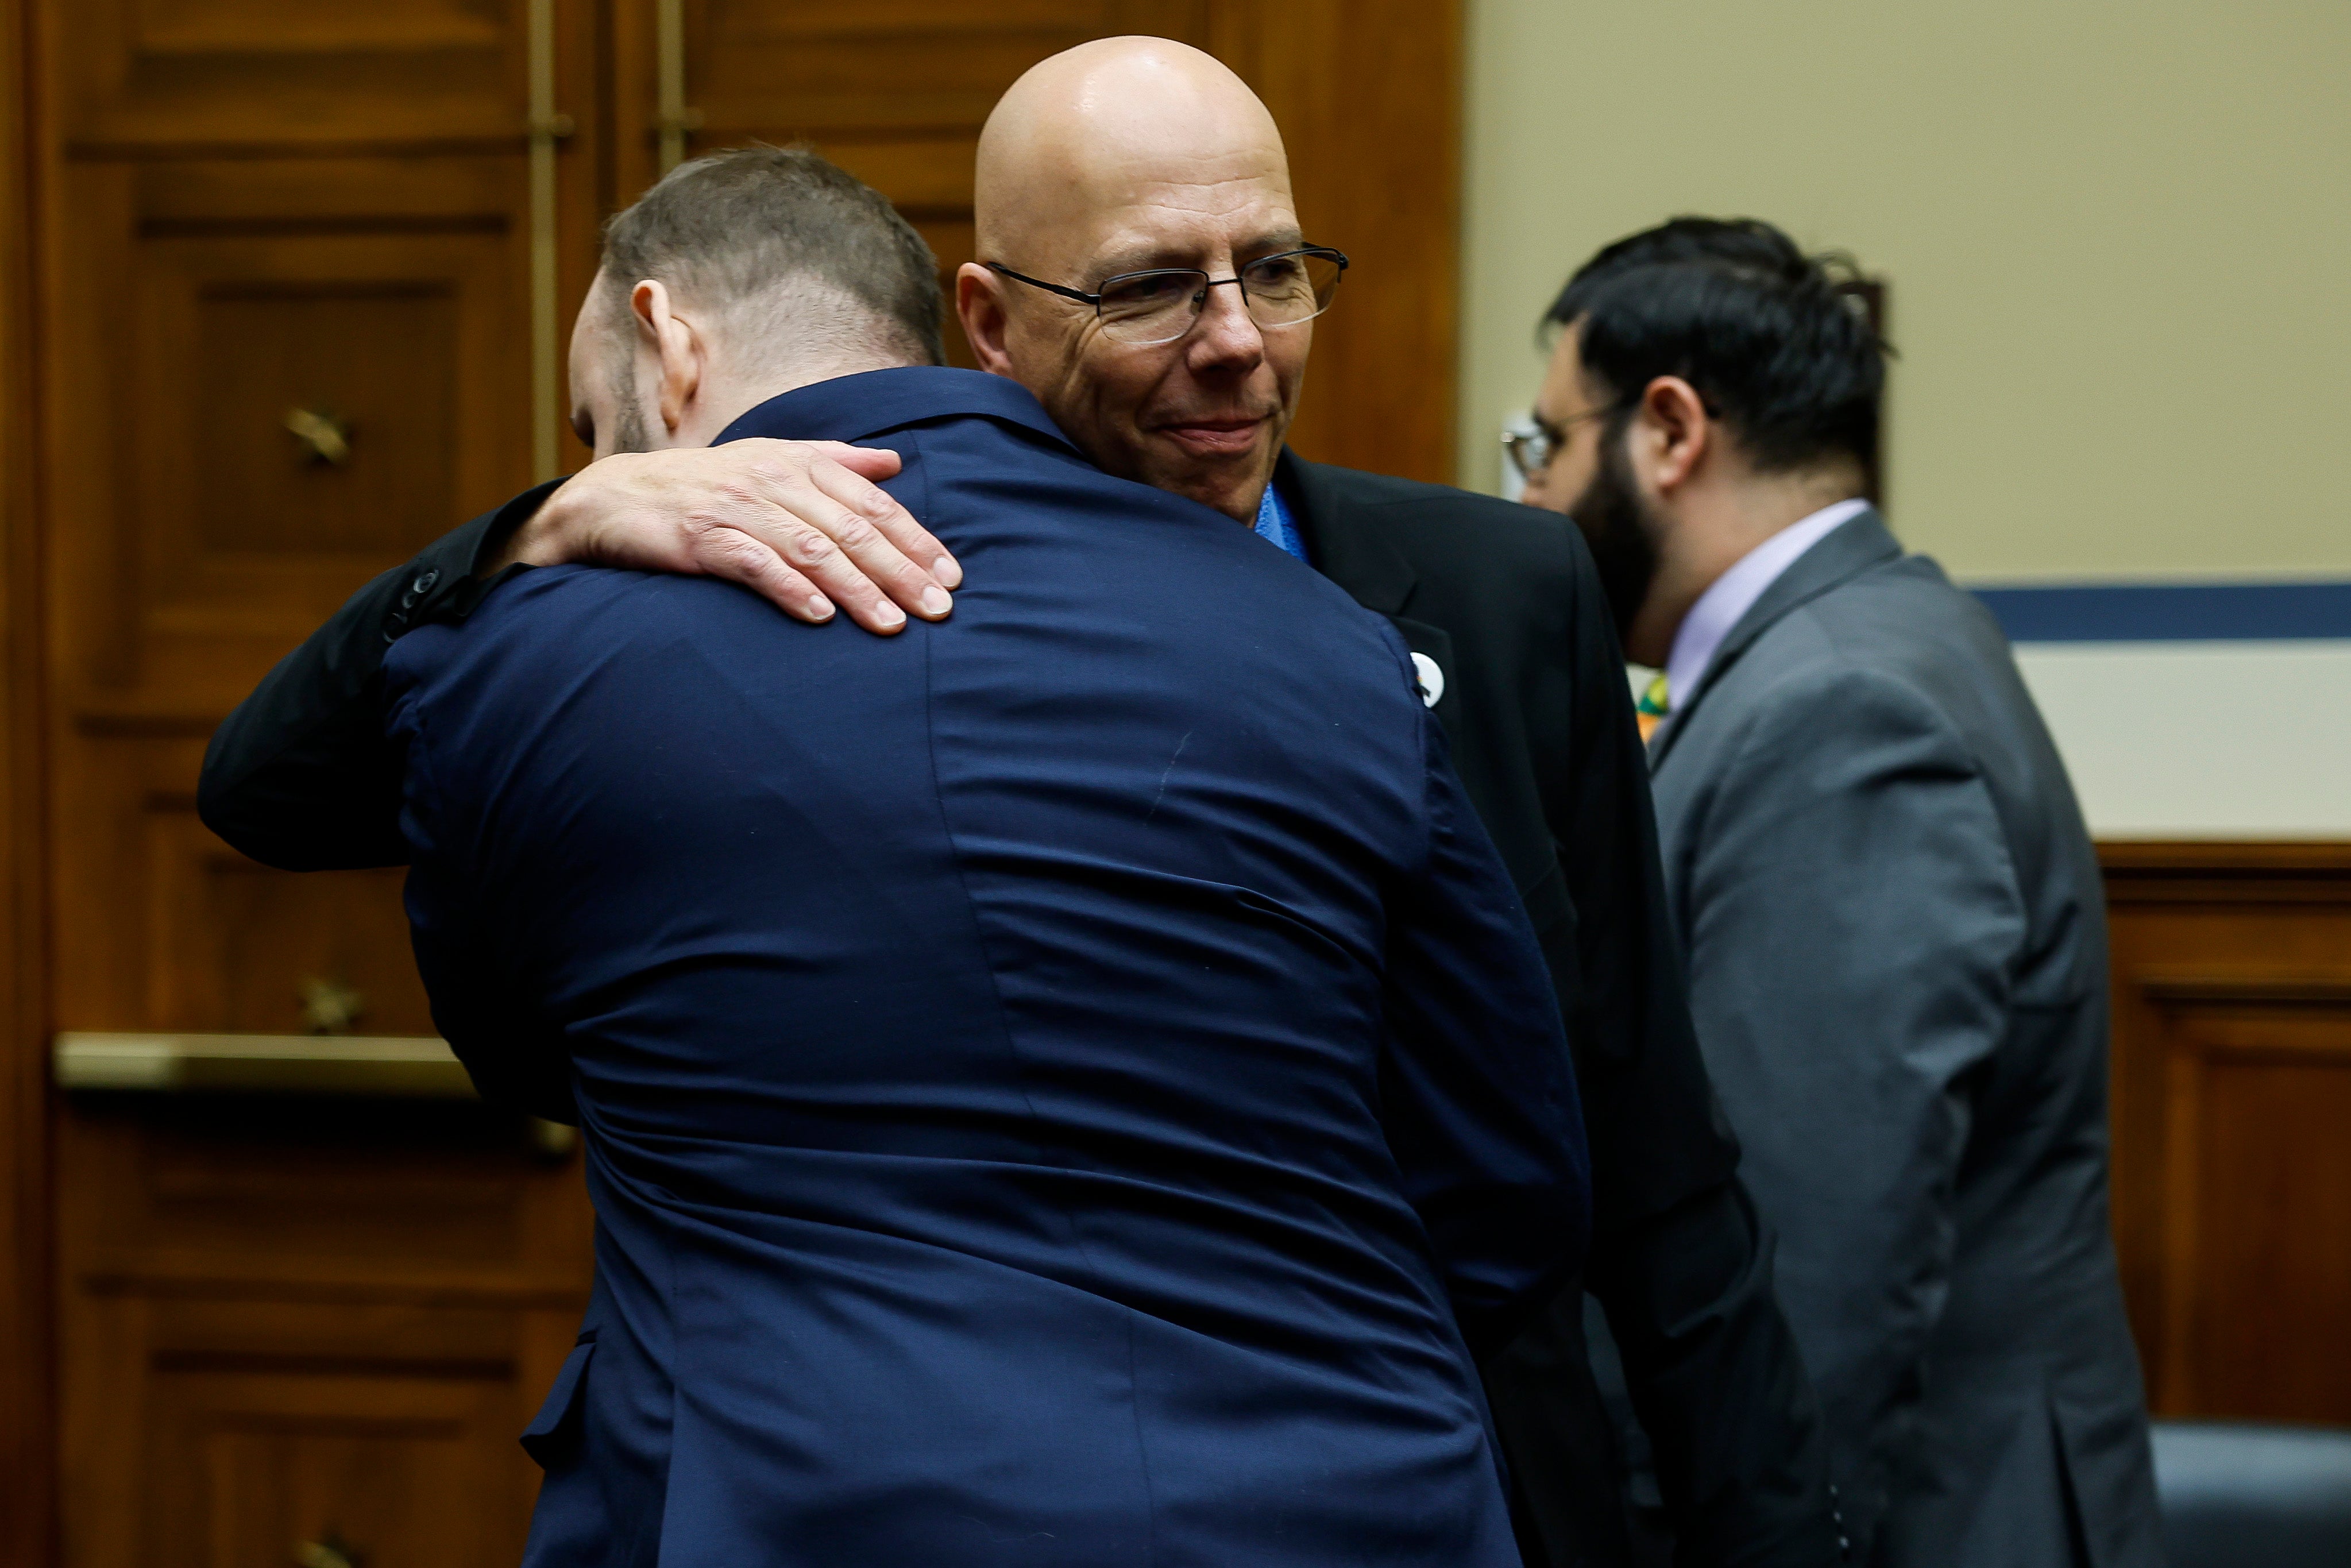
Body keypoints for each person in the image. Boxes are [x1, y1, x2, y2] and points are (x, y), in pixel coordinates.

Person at [201, 40, 1843, 1568]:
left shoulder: (1461, 607)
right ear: (985, 325)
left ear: (668, 349)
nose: (1234, 339)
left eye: (1273, 272)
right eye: (1146, 288)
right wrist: (553, 518)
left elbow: (1613, 1142)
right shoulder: (599, 633)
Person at [399, 144, 1588, 1566]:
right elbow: (1508, 1173)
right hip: (1333, 1499)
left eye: (597, 435)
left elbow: (525, 1047)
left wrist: (538, 534)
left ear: (669, 349)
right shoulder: (1333, 640)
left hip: (797, 1503)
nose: (605, 481)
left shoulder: (526, 662)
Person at [1517, 217, 2162, 1568]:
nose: (1532, 501)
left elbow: (1809, 1262)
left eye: (1547, 446)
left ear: (1669, 431)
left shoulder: (1838, 705)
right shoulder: (1877, 635)